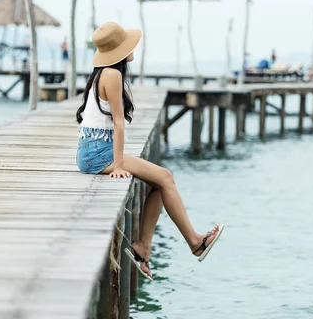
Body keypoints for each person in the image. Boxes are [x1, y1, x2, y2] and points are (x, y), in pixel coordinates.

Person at [75, 22, 224, 280]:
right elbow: (119, 123)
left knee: (160, 183)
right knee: (166, 177)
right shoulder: (112, 74)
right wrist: (119, 165)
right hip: (98, 153)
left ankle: (143, 246)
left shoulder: (103, 72)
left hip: (94, 149)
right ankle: (194, 242)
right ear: (119, 52)